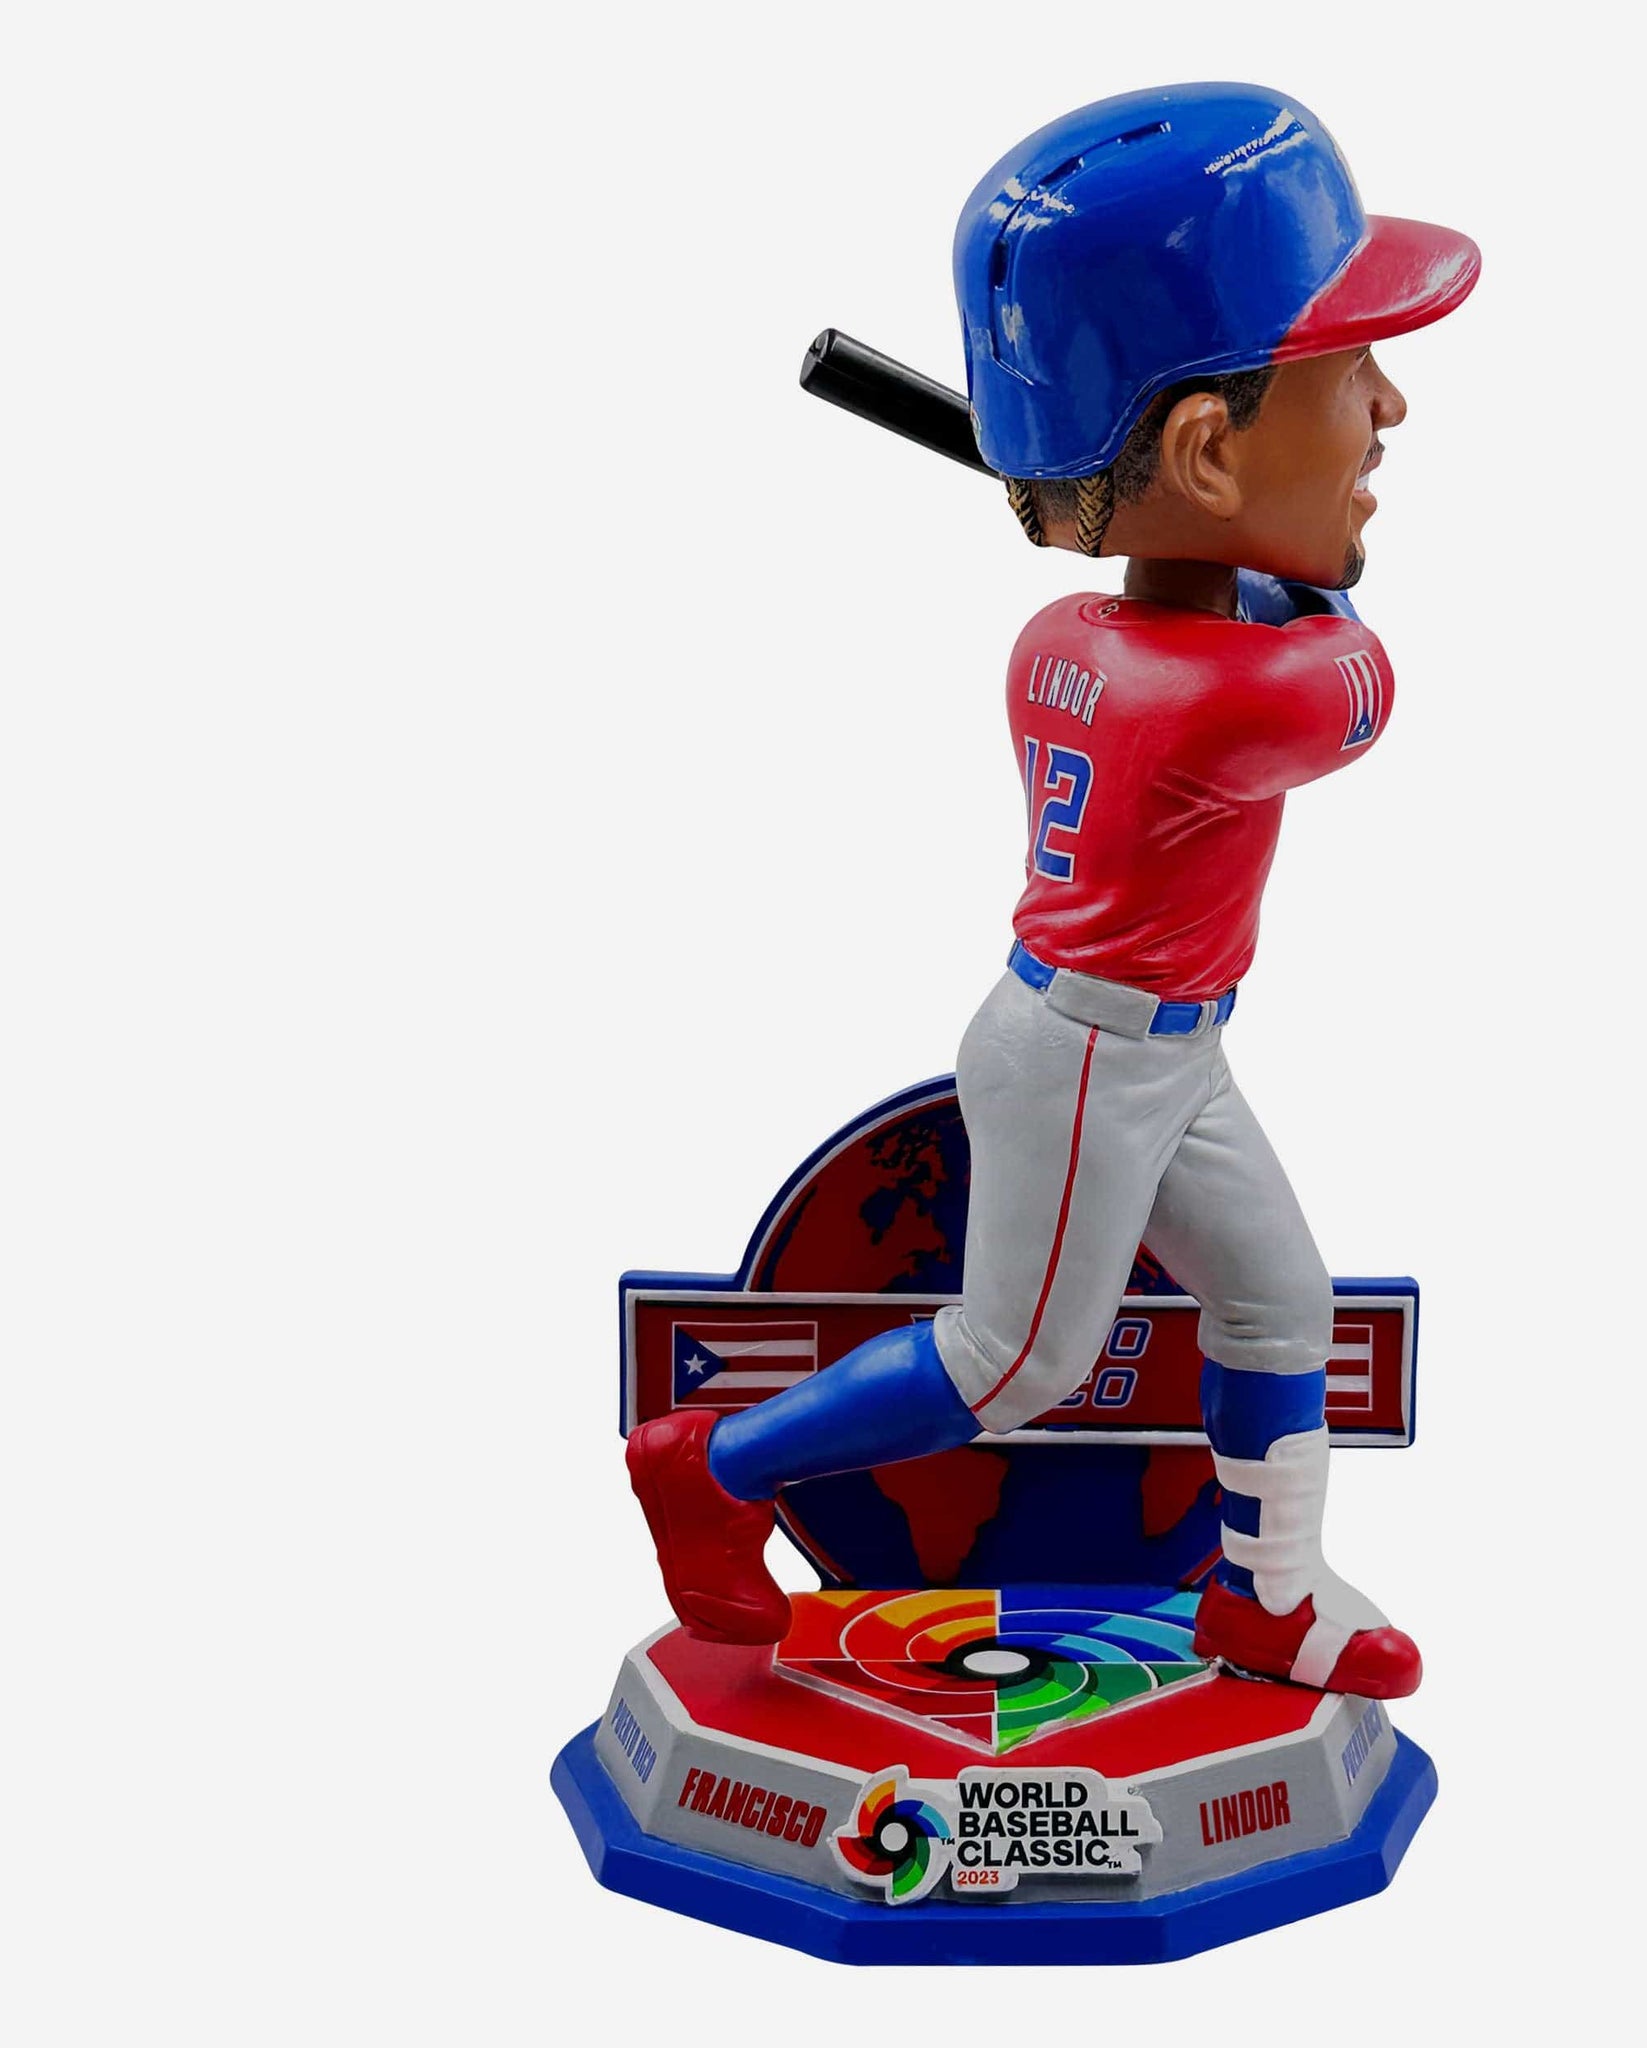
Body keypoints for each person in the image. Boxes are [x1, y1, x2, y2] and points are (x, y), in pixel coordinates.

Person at [627, 82, 1478, 1698]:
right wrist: (1280, 563)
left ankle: (1270, 1595)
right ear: (1205, 452)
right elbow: (1352, 655)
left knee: (1280, 1303)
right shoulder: (1239, 699)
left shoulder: (1061, 640)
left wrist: (1212, 528)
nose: (1389, 409)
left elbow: (1256, 591)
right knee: (1012, 1365)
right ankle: (708, 1468)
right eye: (1345, 375)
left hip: (1159, 1045)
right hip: (1092, 1057)